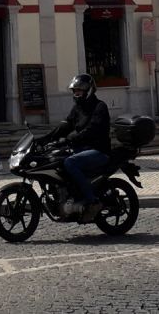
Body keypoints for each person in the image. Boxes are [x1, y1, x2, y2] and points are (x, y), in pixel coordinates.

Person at [42, 73, 111, 217]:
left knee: (70, 163)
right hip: (81, 149)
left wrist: (71, 139)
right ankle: (68, 195)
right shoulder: (77, 108)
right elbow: (65, 125)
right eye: (75, 91)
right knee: (56, 159)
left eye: (79, 90)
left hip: (98, 151)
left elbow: (92, 129)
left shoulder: (100, 107)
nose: (76, 93)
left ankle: (91, 200)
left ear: (89, 90)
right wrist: (45, 139)